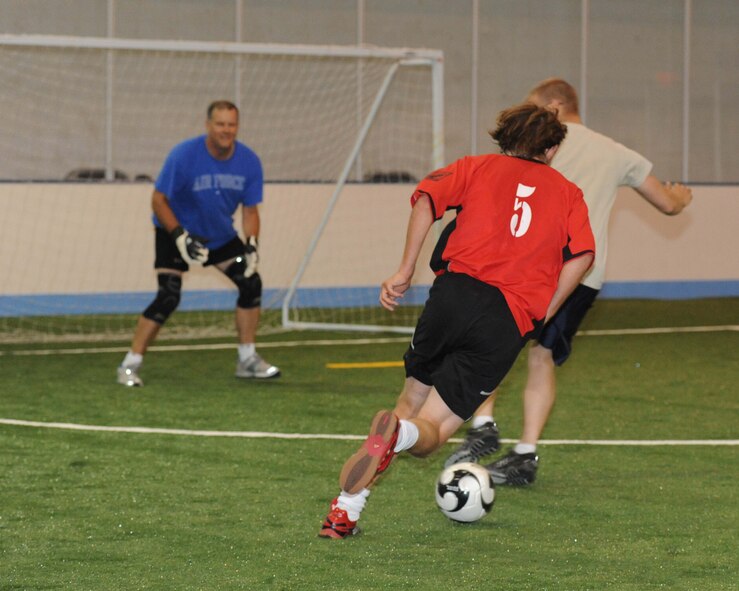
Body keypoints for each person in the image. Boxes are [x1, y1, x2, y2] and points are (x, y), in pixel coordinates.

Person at [318, 102, 596, 539]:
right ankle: (403, 435)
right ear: (553, 147)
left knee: (409, 400)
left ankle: (345, 510)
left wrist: (405, 269)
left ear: (504, 137)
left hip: (452, 295)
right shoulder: (567, 192)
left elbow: (427, 198)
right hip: (504, 317)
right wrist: (543, 310)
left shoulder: (476, 167)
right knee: (435, 431)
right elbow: (582, 255)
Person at [445, 78, 693, 485]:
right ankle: (525, 453)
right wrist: (681, 196)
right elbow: (667, 203)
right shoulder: (617, 152)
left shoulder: (538, 141)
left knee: (490, 340)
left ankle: (483, 424)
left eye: (535, 105)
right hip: (585, 275)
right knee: (541, 356)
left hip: (531, 267)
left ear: (556, 105)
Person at [116, 100, 280, 387]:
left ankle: (247, 360)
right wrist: (180, 236)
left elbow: (250, 210)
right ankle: (129, 365)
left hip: (219, 235)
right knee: (169, 295)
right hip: (174, 232)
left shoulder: (249, 161)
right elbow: (158, 200)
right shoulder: (183, 155)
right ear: (208, 125)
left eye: (231, 124)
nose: (226, 130)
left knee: (251, 282)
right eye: (220, 124)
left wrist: (252, 244)